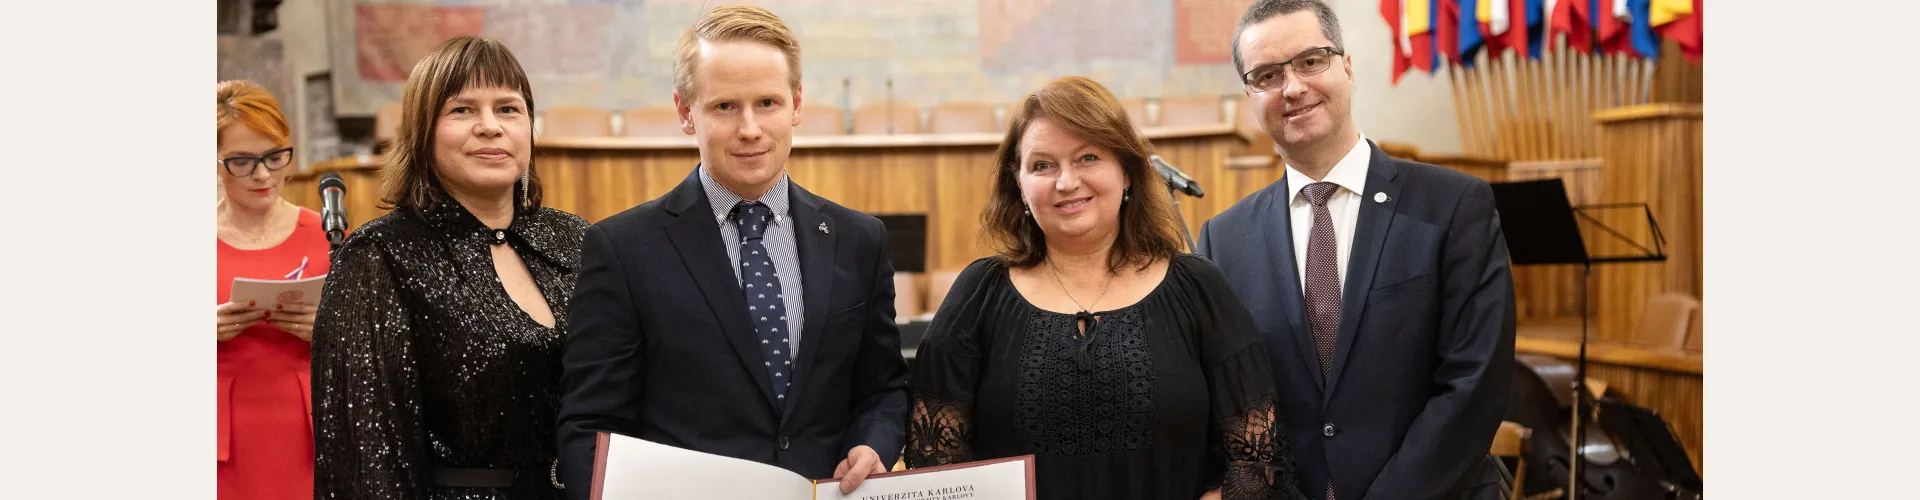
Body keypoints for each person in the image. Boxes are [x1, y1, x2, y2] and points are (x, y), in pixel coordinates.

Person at [556, 5, 908, 497]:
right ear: (685, 112)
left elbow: (883, 390)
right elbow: (591, 429)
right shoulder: (623, 249)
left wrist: (874, 443)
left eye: (767, 102)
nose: (750, 128)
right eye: (724, 106)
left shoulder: (859, 240)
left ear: (796, 105)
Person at [904, 76, 1302, 500]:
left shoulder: (1198, 287)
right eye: (1042, 165)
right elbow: (936, 463)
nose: (1066, 182)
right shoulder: (978, 295)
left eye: (1088, 157)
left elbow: (1258, 462)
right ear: (1018, 184)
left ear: (1128, 173)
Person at [1196, 1, 1518, 499]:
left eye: (1310, 61)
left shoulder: (1454, 206)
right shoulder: (1224, 239)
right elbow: (1237, 404)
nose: (1294, 86)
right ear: (1249, 95)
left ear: (1346, 66)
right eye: (1267, 75)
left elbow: (1473, 385)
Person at [311, 36, 588, 499]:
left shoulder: (574, 239)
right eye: (462, 110)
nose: (490, 127)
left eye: (508, 109)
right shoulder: (379, 256)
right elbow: (365, 456)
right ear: (422, 130)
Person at [216, 80, 326, 500]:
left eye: (275, 157)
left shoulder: (328, 235)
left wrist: (330, 331)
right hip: (221, 433)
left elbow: (376, 344)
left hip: (308, 431)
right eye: (242, 161)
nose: (263, 174)